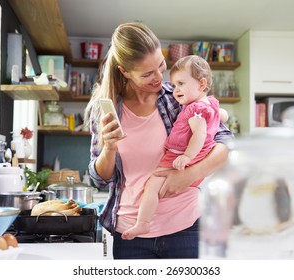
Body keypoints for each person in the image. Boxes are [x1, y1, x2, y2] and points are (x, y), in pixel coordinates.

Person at [84, 22, 233, 259]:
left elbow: (227, 147)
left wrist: (188, 176)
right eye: (147, 73)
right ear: (124, 71)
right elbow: (99, 179)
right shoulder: (105, 110)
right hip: (130, 236)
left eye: (161, 65)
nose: (159, 76)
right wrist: (109, 148)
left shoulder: (179, 98)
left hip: (186, 227)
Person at [121, 55, 229, 240]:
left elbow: (199, 134)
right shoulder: (208, 104)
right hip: (189, 161)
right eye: (174, 84)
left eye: (180, 84)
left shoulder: (194, 110)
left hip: (178, 158)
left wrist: (187, 157)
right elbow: (223, 116)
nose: (175, 89)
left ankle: (142, 224)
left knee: (152, 187)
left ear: (202, 84)